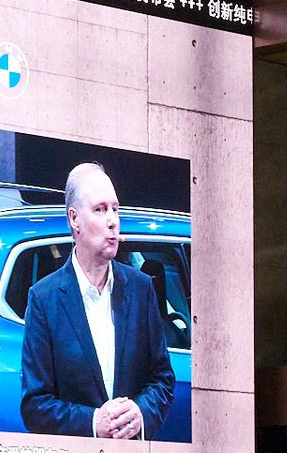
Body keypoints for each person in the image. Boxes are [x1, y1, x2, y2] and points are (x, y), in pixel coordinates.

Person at [18, 163, 174, 438]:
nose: (113, 220)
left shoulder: (141, 289)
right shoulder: (44, 299)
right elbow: (35, 406)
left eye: (115, 209)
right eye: (100, 209)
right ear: (74, 219)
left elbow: (162, 379)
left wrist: (140, 413)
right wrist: (93, 422)